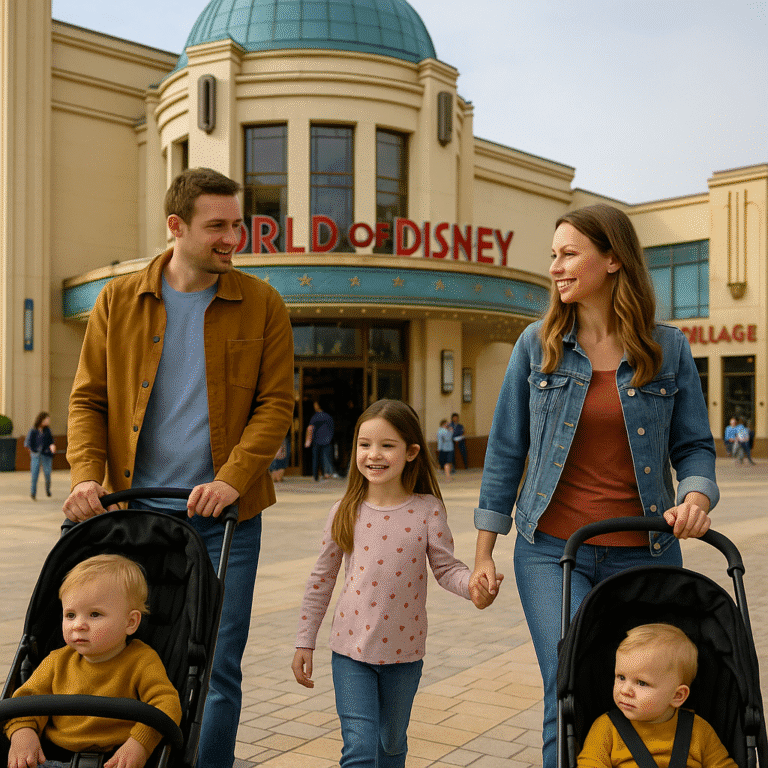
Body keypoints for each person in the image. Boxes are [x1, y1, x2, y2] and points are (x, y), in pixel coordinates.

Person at [470, 204, 718, 768]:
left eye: (568, 254)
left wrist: (697, 495)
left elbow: (694, 446)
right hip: (553, 553)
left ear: (611, 260)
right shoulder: (538, 345)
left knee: (647, 693)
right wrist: (485, 550)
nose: (555, 267)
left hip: (647, 551)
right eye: (553, 255)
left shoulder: (667, 348)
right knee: (571, 683)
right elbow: (507, 450)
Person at [63, 167, 294, 768]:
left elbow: (276, 405)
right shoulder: (118, 300)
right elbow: (89, 398)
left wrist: (232, 478)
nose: (232, 238)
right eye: (216, 226)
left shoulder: (263, 303)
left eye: (237, 225)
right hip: (136, 513)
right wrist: (87, 476)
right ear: (176, 227)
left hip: (228, 521)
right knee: (134, 654)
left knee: (217, 663)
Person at [291, 399, 502, 767]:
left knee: (390, 744)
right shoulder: (344, 511)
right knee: (358, 748)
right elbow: (320, 580)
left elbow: (446, 568)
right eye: (364, 444)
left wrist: (472, 586)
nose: (374, 454)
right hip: (349, 652)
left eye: (387, 445)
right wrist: (304, 641)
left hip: (404, 655)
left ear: (411, 452)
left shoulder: (427, 510)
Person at [5, 554, 182, 768]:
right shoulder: (57, 661)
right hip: (53, 757)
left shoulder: (142, 660)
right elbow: (25, 701)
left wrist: (139, 744)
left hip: (117, 759)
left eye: (95, 614)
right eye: (70, 615)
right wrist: (23, 733)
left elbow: (166, 703)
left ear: (131, 622)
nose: (79, 625)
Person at [577, 623, 737, 768]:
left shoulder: (699, 731)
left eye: (641, 683)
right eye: (621, 677)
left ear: (677, 696)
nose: (625, 690)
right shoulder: (606, 728)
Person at [24, 412, 56, 500]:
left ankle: (48, 489)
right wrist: (32, 452)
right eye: (47, 419)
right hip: (36, 455)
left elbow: (51, 441)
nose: (48, 421)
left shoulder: (48, 430)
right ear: (42, 420)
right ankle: (33, 493)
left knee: (47, 473)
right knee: (34, 474)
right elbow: (27, 443)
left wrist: (52, 446)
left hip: (46, 454)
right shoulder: (33, 430)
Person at [305, 400, 335, 480]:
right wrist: (330, 437)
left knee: (316, 458)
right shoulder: (328, 416)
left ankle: (316, 476)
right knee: (326, 457)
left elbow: (310, 429)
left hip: (317, 440)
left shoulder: (315, 417)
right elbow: (332, 428)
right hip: (326, 440)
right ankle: (327, 473)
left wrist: (308, 441)